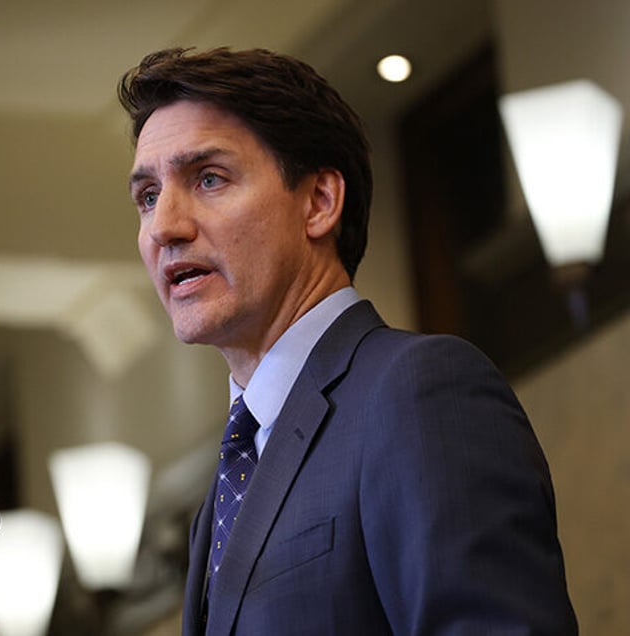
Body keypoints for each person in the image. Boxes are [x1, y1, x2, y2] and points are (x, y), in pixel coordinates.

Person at [118, 47, 577, 635]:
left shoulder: (419, 390)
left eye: (209, 178)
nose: (164, 227)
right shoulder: (231, 479)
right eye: (148, 196)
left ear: (320, 202)